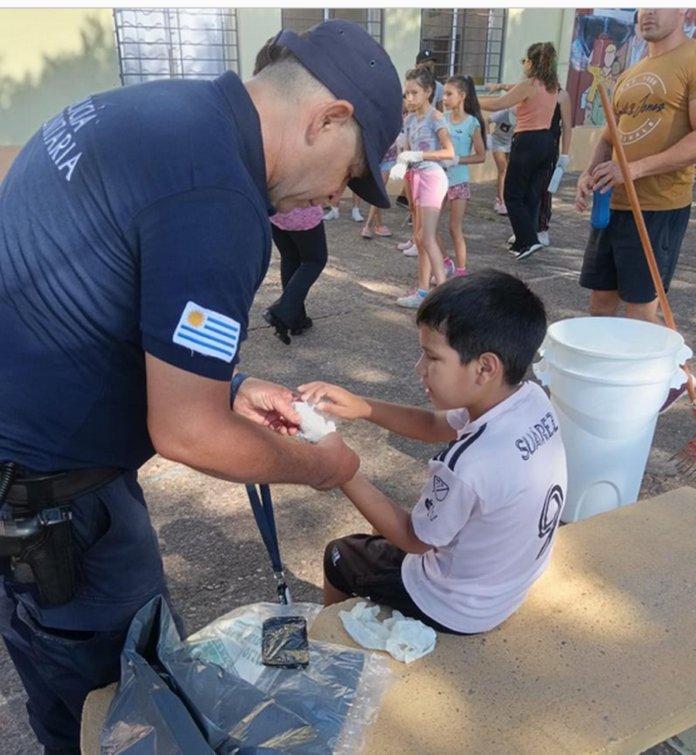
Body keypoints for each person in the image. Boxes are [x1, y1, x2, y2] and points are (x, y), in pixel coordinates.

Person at [0, 20, 401, 755]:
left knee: (59, 698)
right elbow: (188, 432)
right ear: (328, 118)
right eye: (350, 172)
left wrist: (232, 383)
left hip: (28, 477)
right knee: (128, 706)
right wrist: (325, 466)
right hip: (60, 508)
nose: (339, 197)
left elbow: (101, 292)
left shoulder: (152, 112)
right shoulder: (219, 201)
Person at [299, 271, 567, 635]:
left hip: (456, 607)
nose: (418, 369)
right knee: (385, 524)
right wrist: (363, 406)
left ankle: (331, 640)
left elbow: (414, 539)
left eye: (431, 357)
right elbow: (432, 425)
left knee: (341, 554)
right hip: (509, 580)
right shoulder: (529, 399)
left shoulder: (469, 462)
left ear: (484, 367)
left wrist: (342, 468)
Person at [576, 8, 696, 327]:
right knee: (600, 307)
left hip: (656, 208)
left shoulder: (692, 59)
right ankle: (606, 377)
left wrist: (631, 170)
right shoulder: (631, 72)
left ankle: (680, 376)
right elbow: (607, 138)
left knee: (640, 316)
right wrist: (589, 174)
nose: (648, 11)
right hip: (613, 205)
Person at [480, 43, 560, 261]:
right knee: (531, 195)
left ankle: (528, 241)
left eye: (525, 59)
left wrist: (468, 100)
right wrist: (502, 85)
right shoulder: (552, 85)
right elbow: (514, 90)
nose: (523, 63)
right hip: (546, 142)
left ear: (532, 62)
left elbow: (498, 105)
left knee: (512, 194)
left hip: (527, 141)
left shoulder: (530, 84)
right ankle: (527, 238)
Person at [394, 67, 454, 309]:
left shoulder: (436, 117)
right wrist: (402, 156)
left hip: (431, 177)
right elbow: (406, 150)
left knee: (428, 237)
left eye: (414, 93)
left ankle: (444, 296)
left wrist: (418, 154)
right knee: (419, 238)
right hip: (415, 177)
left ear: (428, 91)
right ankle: (422, 290)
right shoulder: (409, 120)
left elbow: (449, 152)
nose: (409, 98)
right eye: (406, 93)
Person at [440, 75, 486, 276]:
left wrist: (457, 159)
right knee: (429, 228)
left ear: (461, 96)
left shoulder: (472, 123)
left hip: (459, 181)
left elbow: (481, 156)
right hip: (439, 180)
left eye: (449, 94)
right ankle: (444, 261)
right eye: (444, 94)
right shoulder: (441, 119)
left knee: (454, 228)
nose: (444, 98)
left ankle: (461, 271)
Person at [536, 88, 572, 247]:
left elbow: (567, 126)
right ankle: (524, 228)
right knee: (525, 190)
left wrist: (565, 153)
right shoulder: (530, 89)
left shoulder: (561, 95)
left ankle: (542, 228)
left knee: (545, 189)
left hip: (549, 148)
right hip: (528, 146)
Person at [361, 141, 397, 239]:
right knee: (377, 191)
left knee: (379, 191)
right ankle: (379, 225)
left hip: (386, 157)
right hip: (373, 156)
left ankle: (368, 225)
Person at [487, 106, 516, 215]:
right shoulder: (503, 113)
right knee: (502, 169)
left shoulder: (522, 115)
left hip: (510, 143)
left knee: (509, 171)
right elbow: (486, 120)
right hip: (497, 142)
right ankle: (500, 201)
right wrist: (487, 136)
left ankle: (502, 196)